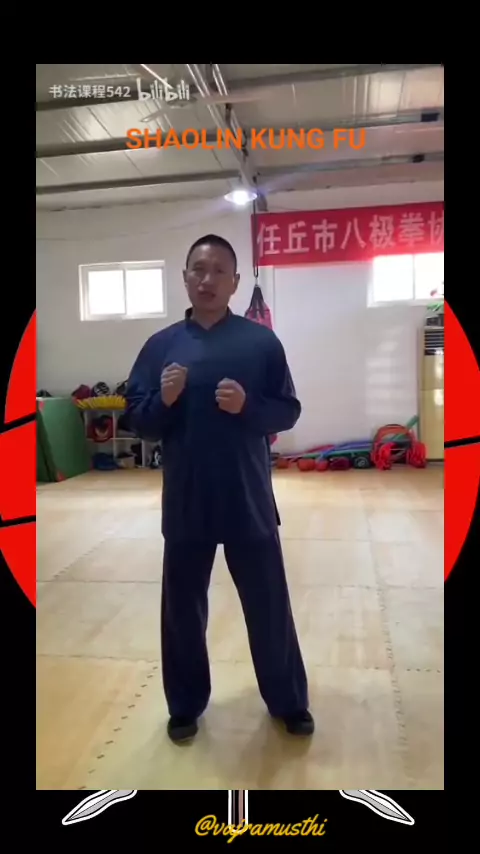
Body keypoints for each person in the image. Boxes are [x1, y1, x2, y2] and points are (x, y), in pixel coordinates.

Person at [125, 234, 313, 743]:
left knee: (268, 605)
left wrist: (249, 407)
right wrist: (163, 400)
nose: (207, 280)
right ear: (185, 277)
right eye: (198, 269)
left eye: (218, 271)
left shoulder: (260, 343)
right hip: (187, 499)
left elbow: (287, 411)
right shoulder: (160, 346)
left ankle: (289, 701)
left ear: (235, 281)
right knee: (183, 612)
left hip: (247, 498)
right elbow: (138, 421)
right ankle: (185, 705)